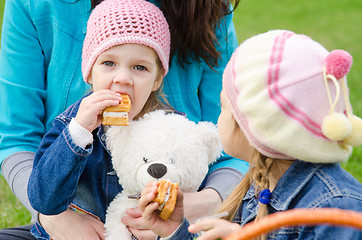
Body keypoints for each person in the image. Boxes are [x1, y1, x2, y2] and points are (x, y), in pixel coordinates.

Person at [0, 0, 247, 239]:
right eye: (108, 63)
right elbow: (21, 148)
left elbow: (237, 148)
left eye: (140, 67)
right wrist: (55, 218)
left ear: (158, 77)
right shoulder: (71, 127)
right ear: (88, 69)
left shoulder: (173, 128)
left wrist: (192, 211)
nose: (123, 78)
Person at [139, 29, 362, 240]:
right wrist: (175, 231)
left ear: (253, 128)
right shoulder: (260, 183)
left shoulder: (335, 209)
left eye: (224, 107)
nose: (218, 117)